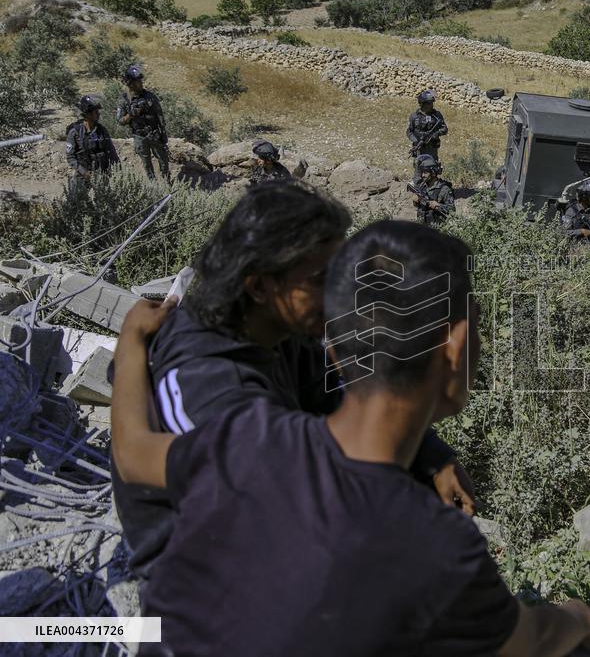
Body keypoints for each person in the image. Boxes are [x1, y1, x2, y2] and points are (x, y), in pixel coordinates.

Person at [111, 221, 590, 656]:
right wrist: (581, 618)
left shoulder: (252, 439)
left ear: (332, 346)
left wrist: (131, 342)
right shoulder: (435, 546)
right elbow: (529, 641)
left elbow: (132, 448)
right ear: (456, 349)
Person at [111, 182, 471, 582]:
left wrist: (430, 454)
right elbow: (137, 458)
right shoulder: (212, 388)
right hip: (206, 570)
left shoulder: (276, 331)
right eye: (320, 279)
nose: (338, 294)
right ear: (260, 286)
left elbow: (336, 391)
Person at [116, 65, 170, 183]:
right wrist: (130, 115)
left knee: (163, 160)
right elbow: (120, 121)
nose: (141, 83)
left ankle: (167, 182)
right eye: (137, 81)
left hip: (154, 134)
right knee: (146, 163)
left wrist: (163, 134)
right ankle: (153, 184)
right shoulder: (124, 100)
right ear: (130, 83)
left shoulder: (150, 96)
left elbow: (160, 115)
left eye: (141, 80)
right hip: (139, 136)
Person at [65, 95, 119, 192]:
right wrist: (84, 172)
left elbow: (111, 151)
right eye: (96, 112)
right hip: (83, 176)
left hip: (102, 175)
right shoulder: (75, 132)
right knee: (79, 199)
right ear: (88, 114)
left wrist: (117, 170)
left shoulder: (102, 130)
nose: (98, 114)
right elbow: (70, 157)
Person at [407, 89, 448, 181]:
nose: (432, 105)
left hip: (432, 147)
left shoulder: (437, 115)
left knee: (432, 167)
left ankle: (432, 186)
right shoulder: (414, 116)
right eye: (429, 103)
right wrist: (416, 141)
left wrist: (435, 134)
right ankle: (418, 184)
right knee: (418, 167)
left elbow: (444, 129)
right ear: (422, 104)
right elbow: (409, 131)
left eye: (432, 103)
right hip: (419, 147)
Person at [410, 153, 454, 225]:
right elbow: (420, 207)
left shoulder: (444, 189)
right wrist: (415, 201)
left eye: (425, 173)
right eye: (422, 172)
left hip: (438, 228)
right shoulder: (422, 186)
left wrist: (438, 206)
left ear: (433, 173)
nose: (422, 175)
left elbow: (452, 210)